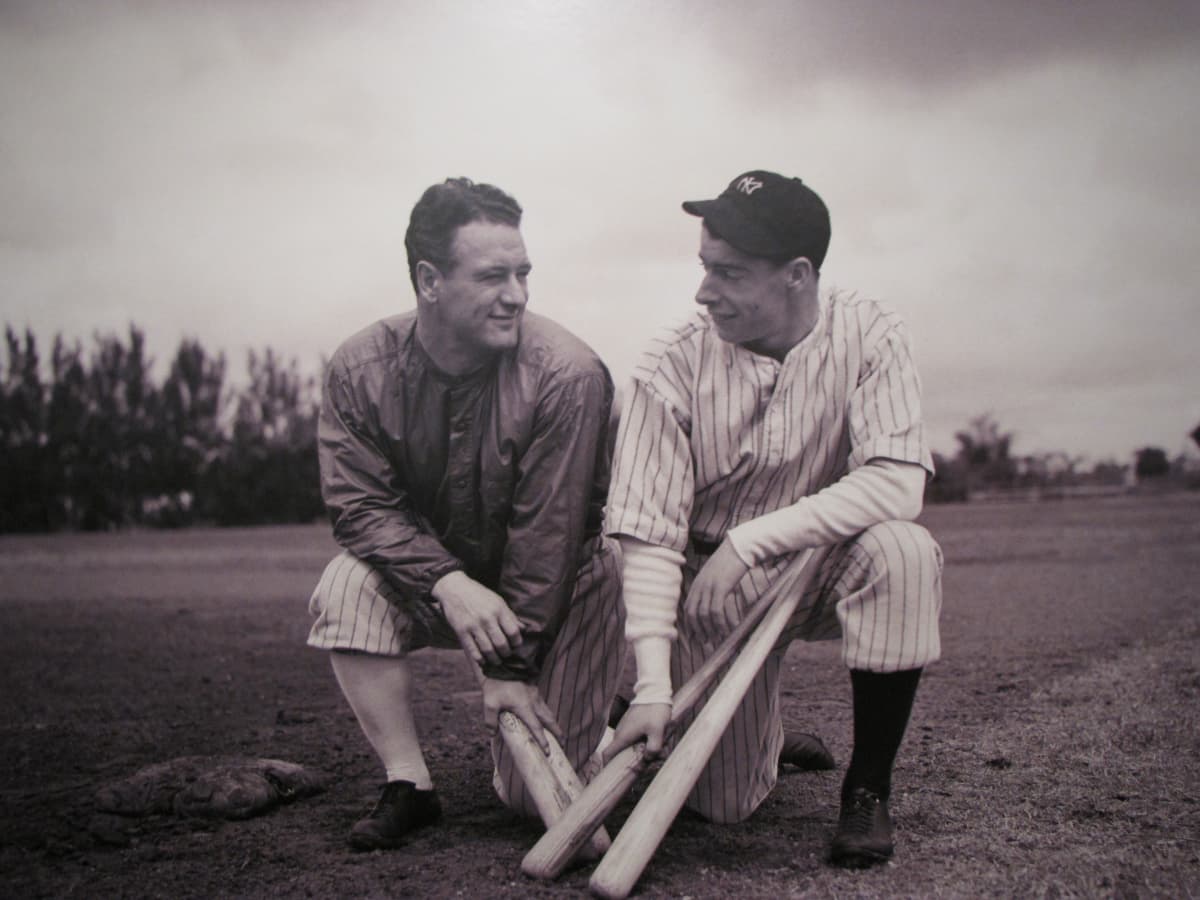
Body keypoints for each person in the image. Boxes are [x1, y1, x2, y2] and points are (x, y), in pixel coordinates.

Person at [603, 170, 943, 868]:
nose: (704, 291)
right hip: (709, 583)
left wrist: (752, 540)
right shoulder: (671, 361)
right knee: (725, 807)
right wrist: (655, 687)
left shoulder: (871, 330)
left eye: (727, 273)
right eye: (704, 267)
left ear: (797, 275)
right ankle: (759, 736)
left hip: (820, 563)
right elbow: (645, 533)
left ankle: (868, 788)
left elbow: (898, 484)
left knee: (905, 552)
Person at [307, 177, 624, 851]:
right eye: (491, 277)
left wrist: (509, 671)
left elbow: (550, 540)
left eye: (523, 273)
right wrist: (448, 583)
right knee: (344, 586)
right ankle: (409, 784)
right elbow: (359, 507)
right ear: (429, 280)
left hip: (565, 588)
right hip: (446, 584)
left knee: (521, 800)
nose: (517, 294)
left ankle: (612, 723)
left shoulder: (569, 374)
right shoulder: (359, 367)